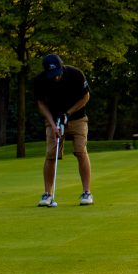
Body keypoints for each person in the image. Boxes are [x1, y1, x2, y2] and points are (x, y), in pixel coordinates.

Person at [34, 54, 93, 207]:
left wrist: (68, 113)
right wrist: (53, 124)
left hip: (77, 118)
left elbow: (85, 97)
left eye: (58, 74)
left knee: (80, 151)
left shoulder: (75, 74)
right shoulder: (41, 80)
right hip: (53, 119)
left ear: (62, 67)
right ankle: (47, 194)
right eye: (52, 75)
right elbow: (41, 104)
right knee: (51, 155)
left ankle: (86, 192)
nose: (56, 78)